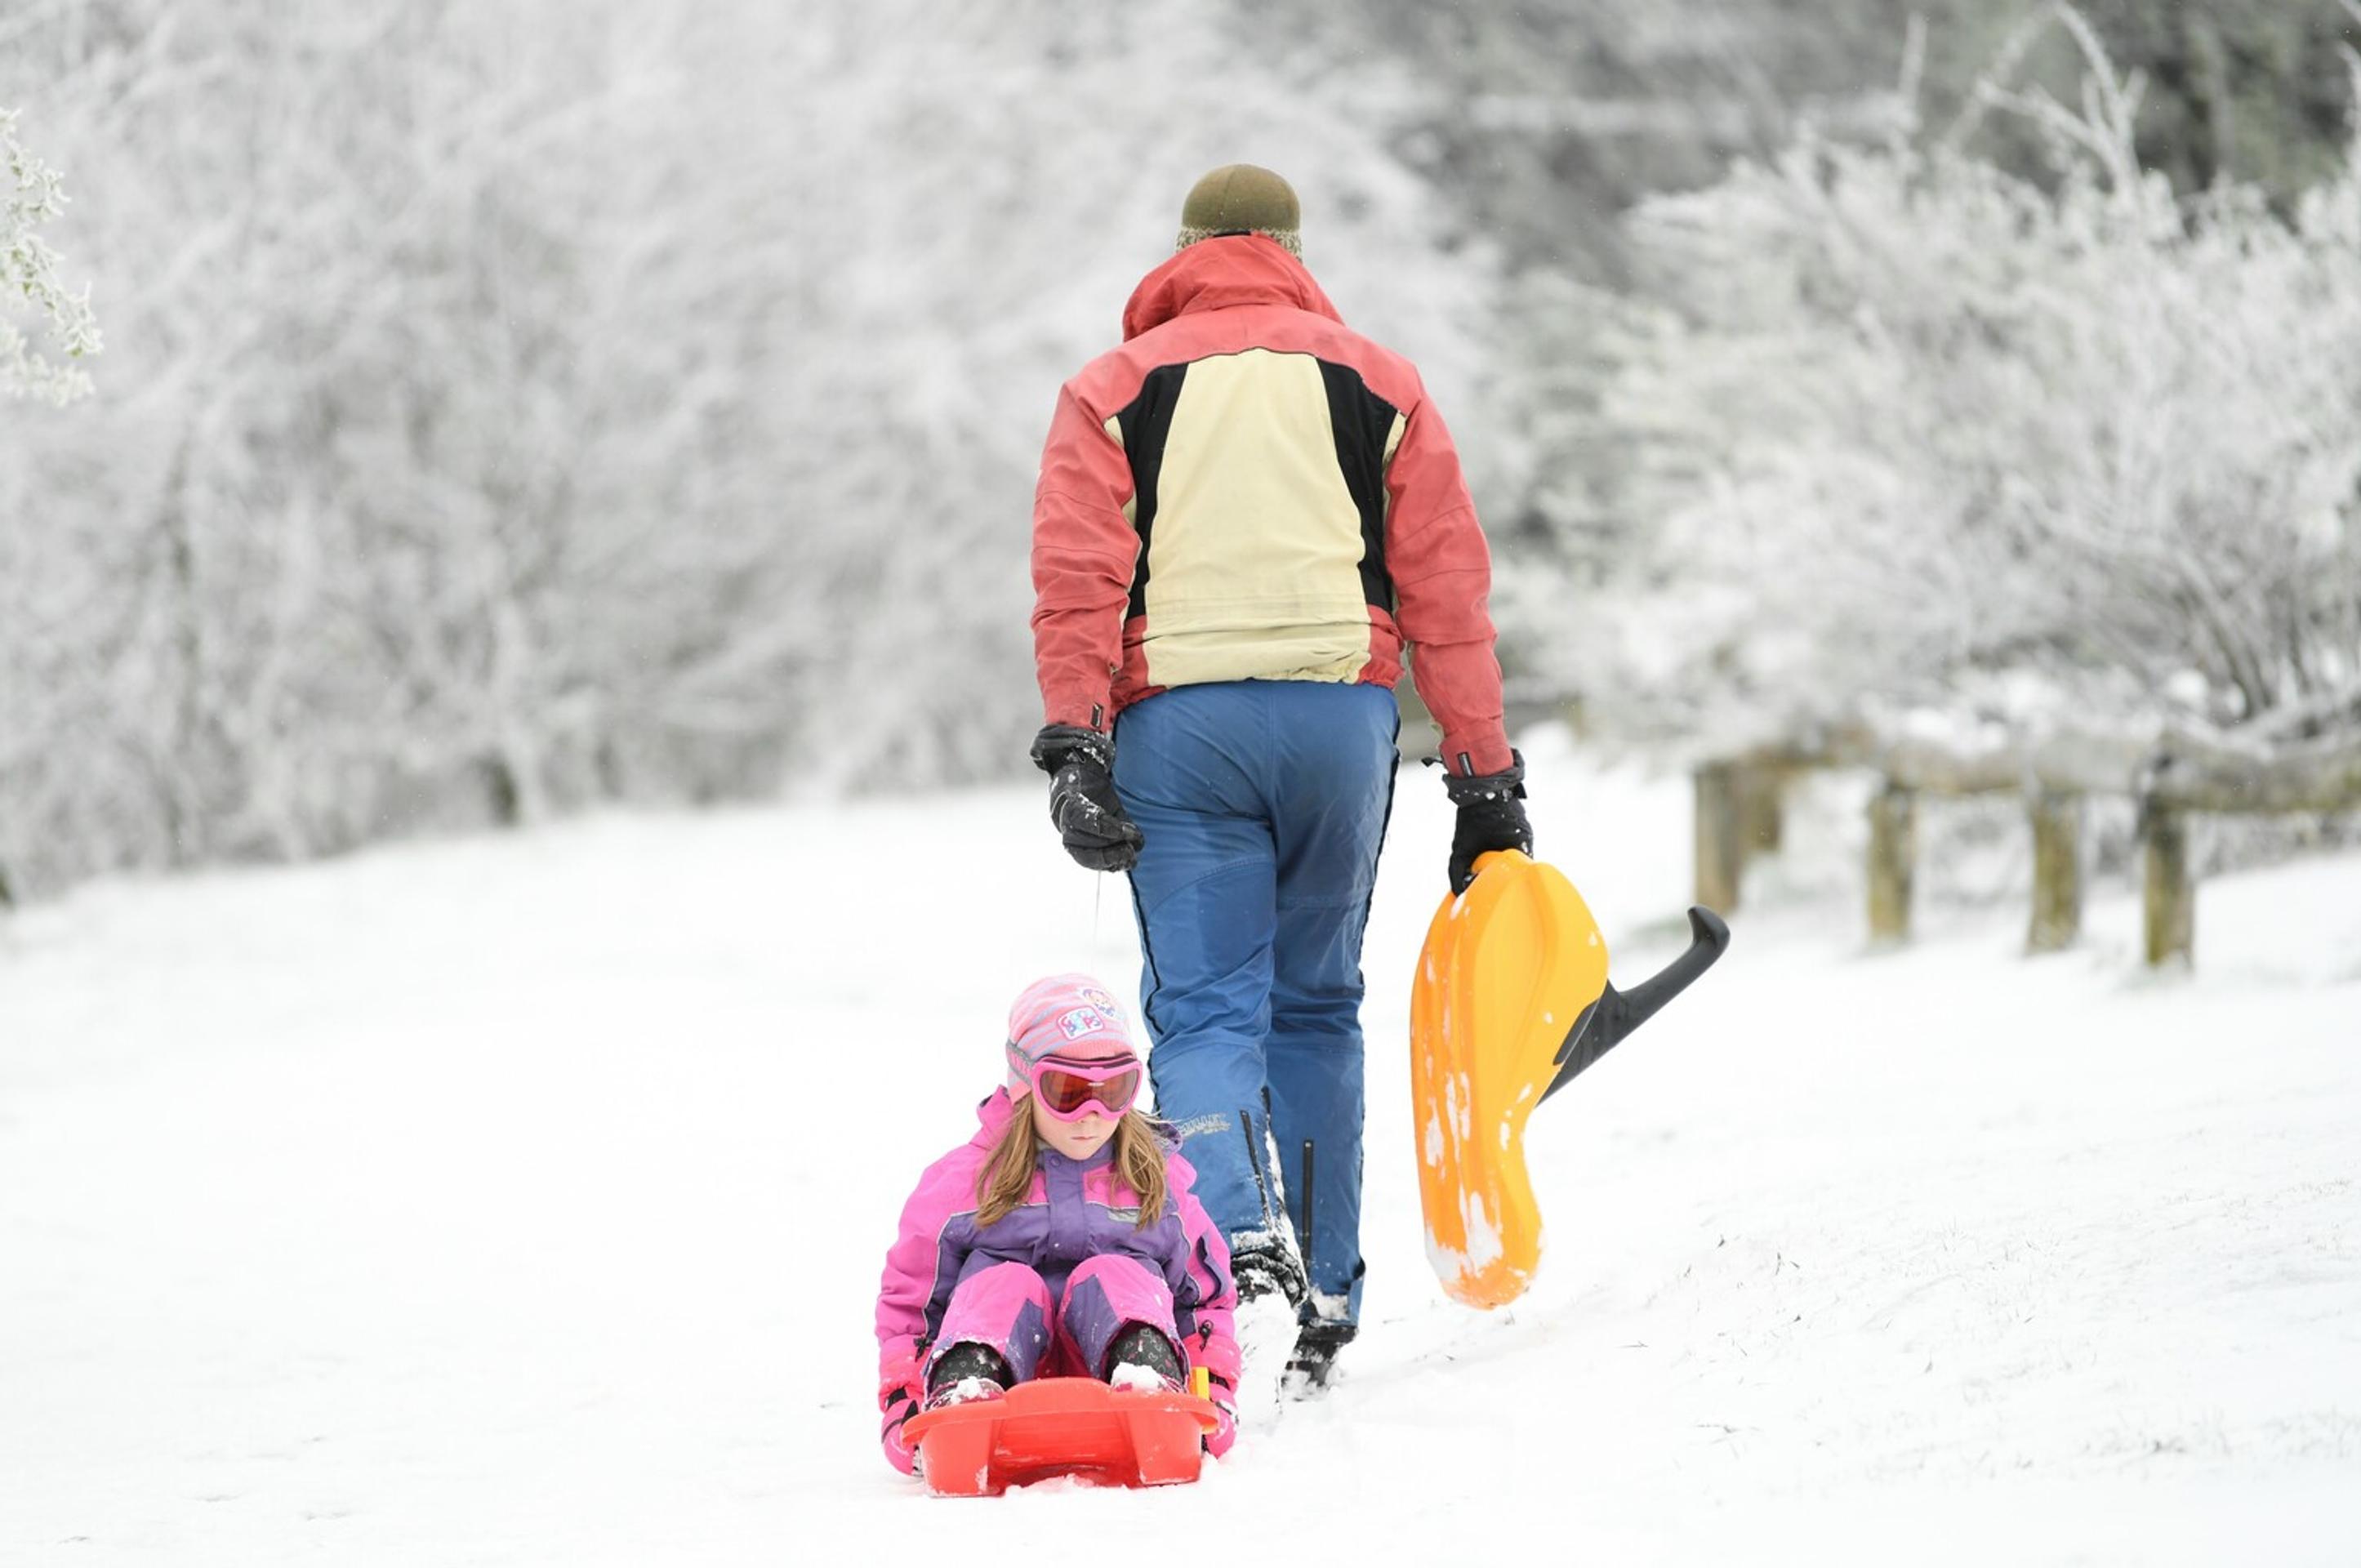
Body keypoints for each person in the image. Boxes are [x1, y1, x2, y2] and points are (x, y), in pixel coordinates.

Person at [1025, 165, 1533, 1391]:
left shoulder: (1112, 388)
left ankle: (1235, 1252)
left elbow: (1080, 577)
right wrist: (1482, 774)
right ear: (1294, 250)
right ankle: (1326, 1293)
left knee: (1205, 1011)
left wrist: (1073, 741)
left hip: (1179, 728)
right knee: (1316, 1004)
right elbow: (1444, 591)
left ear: (1184, 249)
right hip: (1335, 724)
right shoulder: (1379, 381)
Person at [874, 974, 1242, 1475]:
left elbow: (1203, 1300)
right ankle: (963, 1394)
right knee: (1003, 1283)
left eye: (1114, 1090)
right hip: (1003, 1388)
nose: (1092, 1115)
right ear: (1026, 1086)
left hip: (1121, 1385)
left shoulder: (1157, 1182)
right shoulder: (962, 1185)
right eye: (1068, 1092)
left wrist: (1212, 1390)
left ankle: (1152, 1384)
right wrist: (905, 1403)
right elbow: (912, 1308)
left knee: (1119, 1274)